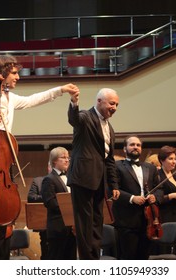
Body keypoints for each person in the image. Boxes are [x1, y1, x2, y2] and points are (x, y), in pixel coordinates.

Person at [0, 54, 79, 260]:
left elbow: (33, 100)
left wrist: (60, 90)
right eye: (15, 73)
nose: (18, 77)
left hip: (4, 165)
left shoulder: (8, 97)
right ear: (1, 73)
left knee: (3, 226)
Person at [67, 87, 120, 260]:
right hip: (82, 178)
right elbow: (74, 119)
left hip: (100, 181)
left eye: (117, 105)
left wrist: (114, 185)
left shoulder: (110, 128)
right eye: (112, 103)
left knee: (97, 223)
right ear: (99, 101)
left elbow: (109, 159)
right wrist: (74, 102)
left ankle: (94, 260)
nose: (115, 108)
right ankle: (86, 263)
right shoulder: (85, 117)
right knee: (84, 224)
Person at [113, 135, 159, 259]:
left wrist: (155, 196)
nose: (135, 147)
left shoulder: (151, 167)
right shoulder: (116, 166)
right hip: (127, 220)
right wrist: (132, 198)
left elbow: (159, 189)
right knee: (128, 258)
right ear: (124, 148)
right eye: (132, 144)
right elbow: (112, 189)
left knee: (144, 257)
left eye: (138, 145)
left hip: (148, 220)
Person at [41, 147, 77, 260]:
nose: (67, 160)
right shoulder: (49, 179)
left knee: (71, 259)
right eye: (63, 157)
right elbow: (50, 202)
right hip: (58, 228)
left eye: (68, 157)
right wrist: (70, 207)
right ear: (54, 160)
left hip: (72, 229)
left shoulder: (70, 178)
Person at [27, 162, 52, 260]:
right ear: (48, 167)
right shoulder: (38, 181)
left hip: (64, 224)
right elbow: (31, 197)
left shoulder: (67, 180)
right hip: (44, 222)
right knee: (46, 252)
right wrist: (48, 197)